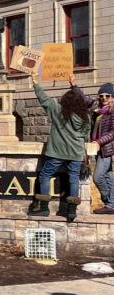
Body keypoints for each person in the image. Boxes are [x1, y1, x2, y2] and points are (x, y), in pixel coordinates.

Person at [29, 73, 91, 221]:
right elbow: (85, 135)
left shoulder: (58, 111)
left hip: (56, 153)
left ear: (65, 101)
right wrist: (73, 85)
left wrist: (35, 82)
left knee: (45, 175)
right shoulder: (85, 117)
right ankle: (71, 211)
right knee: (73, 178)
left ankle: (44, 208)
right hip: (76, 153)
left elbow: (43, 98)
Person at [93, 83, 114, 214]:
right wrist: (74, 86)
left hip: (107, 149)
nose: (104, 98)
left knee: (98, 177)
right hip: (100, 149)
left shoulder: (112, 112)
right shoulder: (99, 112)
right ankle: (111, 205)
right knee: (108, 177)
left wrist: (99, 142)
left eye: (107, 95)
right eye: (101, 96)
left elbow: (113, 132)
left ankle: (110, 202)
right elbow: (86, 100)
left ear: (112, 97)